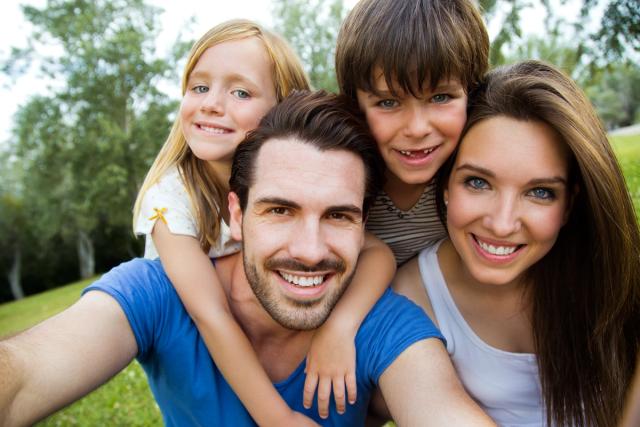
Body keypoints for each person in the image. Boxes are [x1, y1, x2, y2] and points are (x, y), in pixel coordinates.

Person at [0, 91, 496, 427]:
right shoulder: (157, 293)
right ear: (235, 216)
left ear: (364, 225)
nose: (309, 250)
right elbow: (21, 377)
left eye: (339, 216)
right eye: (280, 210)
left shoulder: (380, 324)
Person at [132, 19, 395, 423]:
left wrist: (337, 329)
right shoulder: (172, 197)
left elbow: (378, 253)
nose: (211, 104)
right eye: (199, 87)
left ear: (283, 107)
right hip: (200, 348)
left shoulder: (304, 185)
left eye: (240, 92)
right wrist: (279, 419)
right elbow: (210, 315)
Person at [393, 61, 640, 426]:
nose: (502, 223)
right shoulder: (411, 298)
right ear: (445, 186)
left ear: (569, 204)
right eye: (478, 183)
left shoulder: (614, 278)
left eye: (540, 192)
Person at [334, 0, 489, 265]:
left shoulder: (482, 176)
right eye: (388, 102)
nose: (417, 129)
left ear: (472, 94)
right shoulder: (337, 180)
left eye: (440, 97)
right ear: (355, 105)